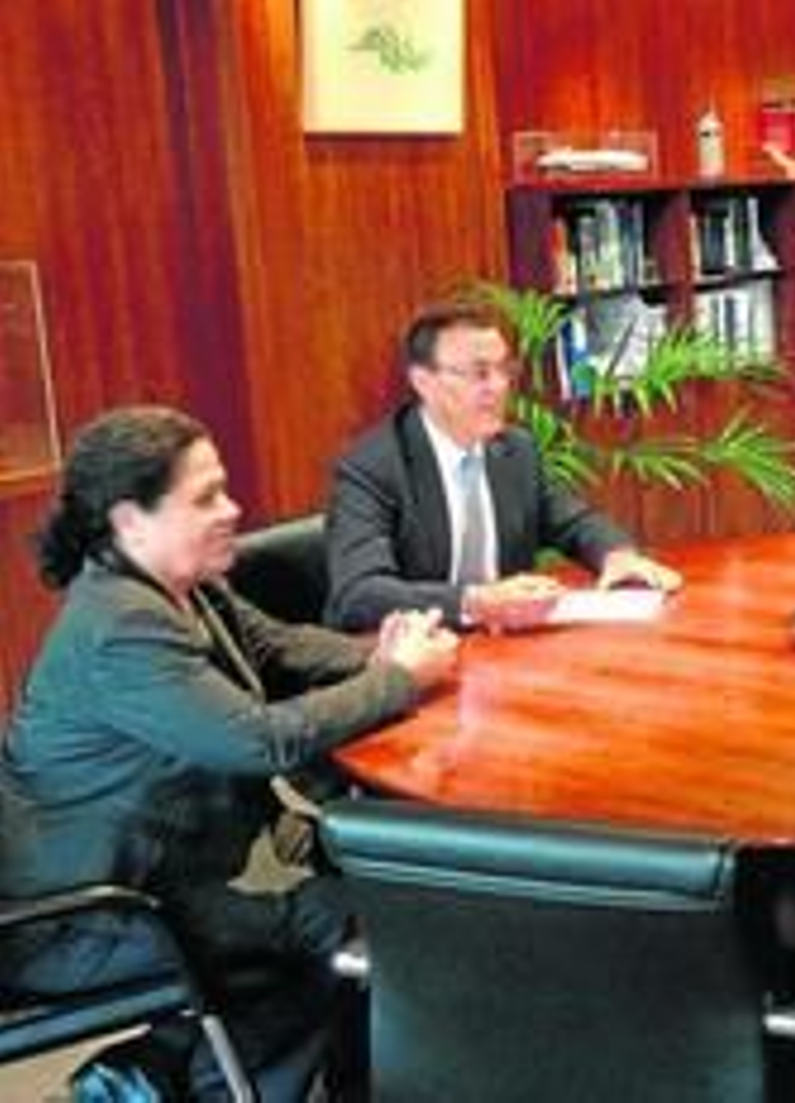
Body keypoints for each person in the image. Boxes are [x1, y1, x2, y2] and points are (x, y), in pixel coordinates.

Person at [0, 405, 459, 1100]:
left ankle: (151, 1076)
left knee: (341, 915)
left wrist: (391, 654)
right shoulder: (120, 625)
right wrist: (396, 680)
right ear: (130, 520)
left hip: (149, 883)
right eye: (206, 496)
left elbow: (281, 648)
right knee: (330, 926)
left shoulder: (179, 588)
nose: (234, 507)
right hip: (79, 918)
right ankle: (174, 1081)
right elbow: (260, 739)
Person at [325, 299, 681, 633]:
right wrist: (475, 602)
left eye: (503, 370)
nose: (497, 387)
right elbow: (360, 593)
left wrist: (616, 555)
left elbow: (574, 521)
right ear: (424, 383)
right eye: (479, 374)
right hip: (409, 660)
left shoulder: (514, 450)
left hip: (502, 649)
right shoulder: (373, 468)